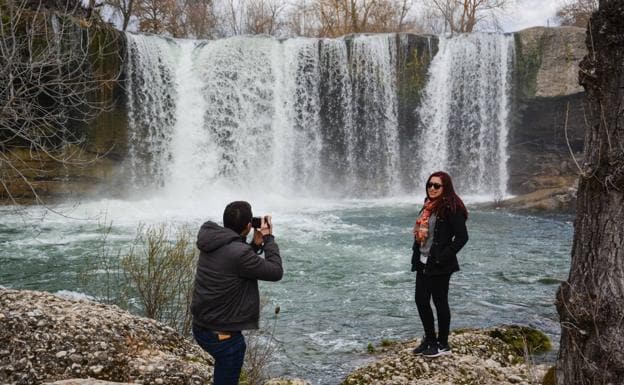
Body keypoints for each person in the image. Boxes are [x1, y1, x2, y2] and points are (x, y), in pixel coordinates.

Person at [191, 201, 283, 385]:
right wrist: (269, 239)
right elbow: (275, 271)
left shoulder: (213, 241)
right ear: (249, 226)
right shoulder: (239, 253)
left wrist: (255, 246)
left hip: (201, 326)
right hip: (223, 337)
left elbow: (232, 262)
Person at [411, 171, 468, 358]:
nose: (432, 188)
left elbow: (462, 237)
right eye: (430, 185)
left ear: (446, 187)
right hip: (423, 261)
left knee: (440, 302)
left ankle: (442, 344)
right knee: (421, 300)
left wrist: (443, 256)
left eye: (437, 186)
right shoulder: (428, 206)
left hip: (440, 264)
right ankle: (430, 339)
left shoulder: (452, 208)